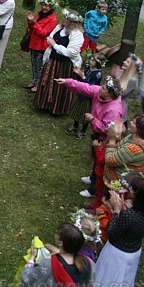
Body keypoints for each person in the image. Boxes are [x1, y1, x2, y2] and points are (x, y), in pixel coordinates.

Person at [56, 75, 124, 208]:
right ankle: (93, 177)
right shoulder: (100, 93)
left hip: (105, 141)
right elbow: (85, 88)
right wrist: (67, 82)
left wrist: (93, 120)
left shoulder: (114, 110)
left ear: (110, 93)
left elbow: (108, 129)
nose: (100, 88)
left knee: (101, 163)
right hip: (97, 136)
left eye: (103, 88)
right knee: (96, 159)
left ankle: (94, 188)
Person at [94, 178, 144, 287]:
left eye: (134, 191)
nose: (131, 191)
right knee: (123, 280)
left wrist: (116, 211)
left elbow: (112, 233)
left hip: (117, 254)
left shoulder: (130, 216)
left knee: (108, 280)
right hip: (134, 251)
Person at [19, 224, 94, 287]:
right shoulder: (90, 264)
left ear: (61, 243)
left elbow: (26, 279)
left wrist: (32, 257)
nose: (55, 234)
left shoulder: (46, 265)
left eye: (57, 233)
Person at [33, 9, 85, 116]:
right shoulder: (59, 27)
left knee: (60, 85)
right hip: (52, 61)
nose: (64, 19)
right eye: (64, 17)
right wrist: (52, 43)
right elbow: (50, 38)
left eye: (66, 18)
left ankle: (56, 108)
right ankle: (43, 104)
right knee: (47, 81)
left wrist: (55, 45)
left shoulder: (77, 34)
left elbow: (70, 52)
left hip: (64, 65)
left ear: (72, 22)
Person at [66, 55, 105, 139]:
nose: (90, 60)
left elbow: (90, 87)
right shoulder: (88, 68)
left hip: (88, 97)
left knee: (85, 113)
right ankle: (75, 126)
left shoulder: (98, 74)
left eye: (93, 60)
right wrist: (78, 74)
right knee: (77, 110)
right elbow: (81, 81)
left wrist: (83, 76)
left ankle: (83, 131)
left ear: (98, 63)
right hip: (81, 93)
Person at [25, 0, 59, 92]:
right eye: (43, 5)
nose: (44, 7)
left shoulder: (53, 19)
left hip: (41, 46)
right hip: (33, 42)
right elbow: (32, 27)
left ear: (51, 7)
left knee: (40, 66)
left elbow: (43, 33)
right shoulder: (40, 14)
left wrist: (34, 23)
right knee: (34, 63)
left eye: (46, 6)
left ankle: (38, 85)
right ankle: (34, 81)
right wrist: (30, 21)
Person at [113, 52, 142, 118]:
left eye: (127, 62)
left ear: (132, 67)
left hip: (118, 108)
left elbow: (119, 94)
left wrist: (116, 78)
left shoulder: (132, 81)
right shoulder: (123, 74)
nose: (124, 62)